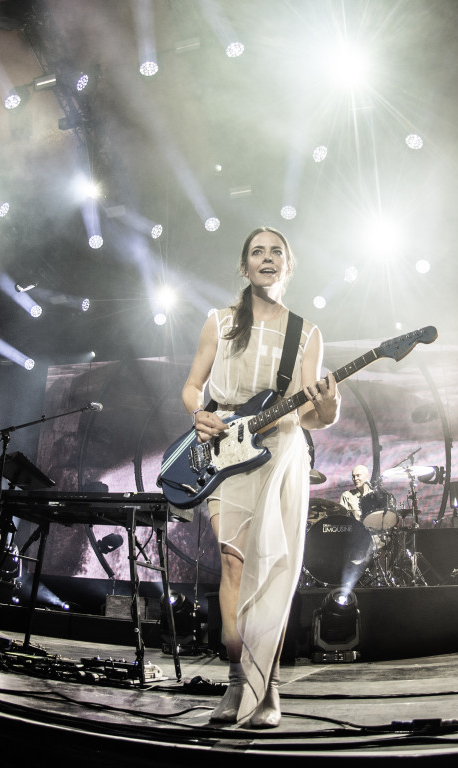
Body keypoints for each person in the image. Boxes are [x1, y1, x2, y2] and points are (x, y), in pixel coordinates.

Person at [182, 226, 338, 729]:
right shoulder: (219, 322)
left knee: (271, 572)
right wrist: (199, 414)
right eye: (257, 252)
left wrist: (328, 410)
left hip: (281, 454)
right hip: (227, 452)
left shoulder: (306, 333)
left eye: (276, 252)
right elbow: (192, 386)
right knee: (233, 563)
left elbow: (310, 414)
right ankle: (236, 681)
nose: (267, 258)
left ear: (287, 266)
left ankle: (267, 687)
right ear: (244, 265)